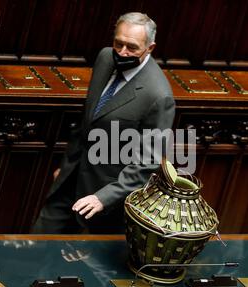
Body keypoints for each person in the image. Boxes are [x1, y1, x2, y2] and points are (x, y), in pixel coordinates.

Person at [32, 12, 175, 234]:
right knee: (38, 244)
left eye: (132, 47)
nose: (122, 52)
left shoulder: (158, 96)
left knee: (76, 263)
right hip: (70, 179)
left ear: (150, 48)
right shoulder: (105, 57)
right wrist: (68, 164)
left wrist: (103, 197)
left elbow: (147, 162)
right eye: (118, 43)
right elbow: (89, 118)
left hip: (103, 198)